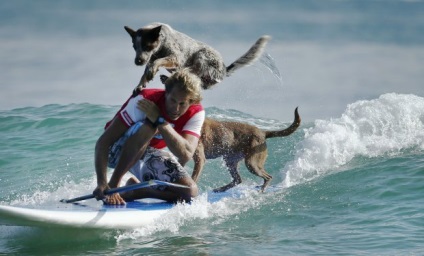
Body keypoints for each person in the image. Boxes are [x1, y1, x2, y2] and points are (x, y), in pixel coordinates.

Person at [93, 68, 205, 205]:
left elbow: (186, 154)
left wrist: (161, 121)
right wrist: (102, 183)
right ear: (166, 93)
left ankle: (140, 191)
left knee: (189, 192)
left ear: (192, 101)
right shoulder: (145, 100)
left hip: (145, 152)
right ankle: (114, 184)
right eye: (172, 100)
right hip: (115, 151)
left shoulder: (196, 113)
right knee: (150, 126)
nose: (176, 109)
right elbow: (103, 142)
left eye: (182, 104)